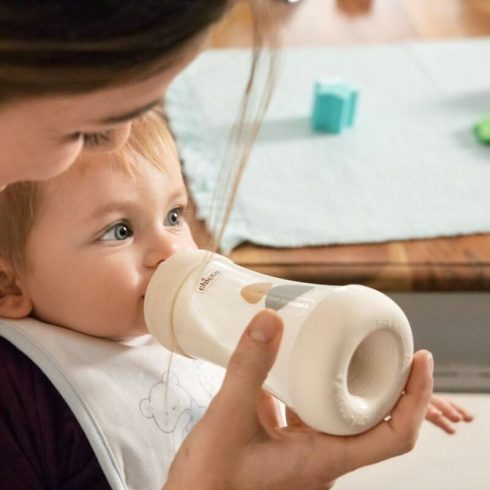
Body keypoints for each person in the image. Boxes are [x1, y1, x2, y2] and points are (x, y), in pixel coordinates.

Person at [0, 111, 472, 488]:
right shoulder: (19, 398)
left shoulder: (208, 311)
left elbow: (296, 358)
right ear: (11, 287)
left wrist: (370, 382)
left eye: (174, 215)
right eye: (119, 231)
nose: (171, 251)